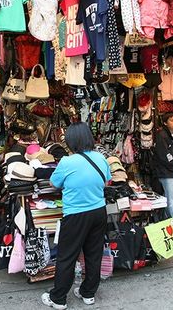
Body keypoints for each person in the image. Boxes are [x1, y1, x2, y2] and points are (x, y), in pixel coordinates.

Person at [41, 122, 111, 310]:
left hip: (76, 215)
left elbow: (54, 183)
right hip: (99, 212)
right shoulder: (101, 158)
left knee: (67, 256)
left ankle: (58, 298)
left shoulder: (67, 162)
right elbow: (106, 182)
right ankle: (88, 293)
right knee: (93, 254)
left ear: (71, 141)